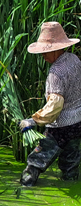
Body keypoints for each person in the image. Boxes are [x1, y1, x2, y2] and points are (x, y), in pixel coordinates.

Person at [18, 22, 81, 186]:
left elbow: (55, 106)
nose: (43, 56)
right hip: (78, 124)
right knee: (70, 165)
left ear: (57, 48)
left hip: (61, 127)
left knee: (36, 161)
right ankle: (71, 190)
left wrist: (33, 121)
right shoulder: (74, 60)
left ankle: (25, 188)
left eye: (46, 51)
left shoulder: (56, 72)